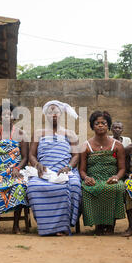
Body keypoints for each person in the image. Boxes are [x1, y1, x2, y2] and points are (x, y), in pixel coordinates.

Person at [26, 100, 81, 236]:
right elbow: (31, 155)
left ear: (61, 114)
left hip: (65, 171)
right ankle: (47, 226)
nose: (53, 115)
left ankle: (64, 225)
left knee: (73, 186)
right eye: (50, 112)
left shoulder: (70, 133)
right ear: (45, 115)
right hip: (44, 172)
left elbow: (76, 156)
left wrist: (68, 167)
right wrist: (37, 164)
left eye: (56, 112)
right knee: (33, 187)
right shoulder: (39, 133)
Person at [0, 103, 29, 234]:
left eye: (10, 114)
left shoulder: (21, 134)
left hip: (14, 170)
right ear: (0, 118)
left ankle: (16, 225)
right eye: (4, 114)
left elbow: (25, 157)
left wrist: (17, 168)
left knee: (20, 186)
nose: (7, 116)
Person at [79, 111, 126, 235]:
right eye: (97, 123)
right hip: (93, 178)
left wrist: (116, 177)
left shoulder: (118, 145)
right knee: (89, 189)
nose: (100, 126)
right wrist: (86, 178)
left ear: (108, 126)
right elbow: (82, 169)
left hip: (111, 178)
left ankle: (111, 225)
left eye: (103, 123)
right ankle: (98, 224)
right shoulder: (86, 145)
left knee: (116, 188)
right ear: (92, 126)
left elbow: (122, 168)